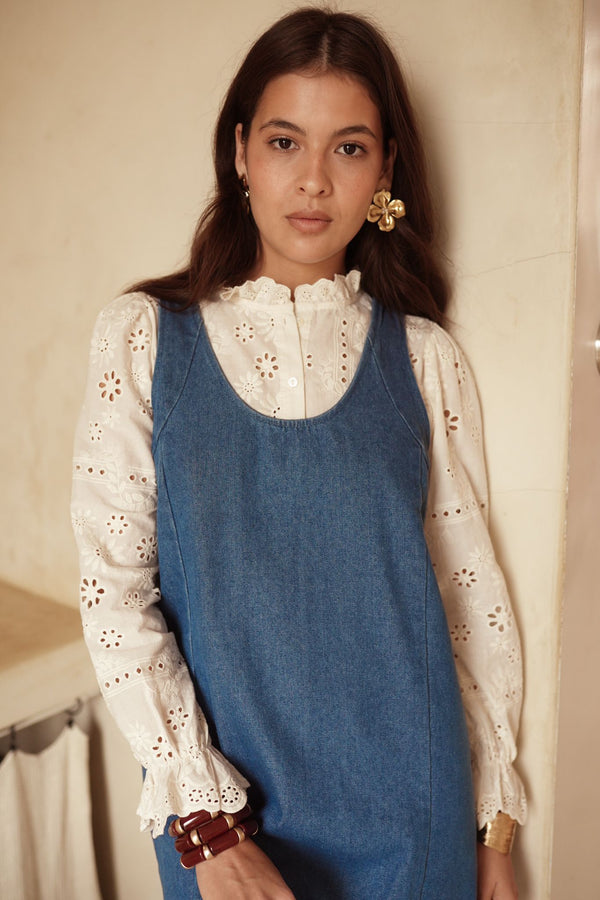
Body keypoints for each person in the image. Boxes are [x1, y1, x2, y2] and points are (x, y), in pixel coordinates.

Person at [72, 7, 526, 899]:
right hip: (228, 835)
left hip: (417, 820)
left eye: (349, 148)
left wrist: (495, 830)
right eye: (286, 142)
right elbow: (116, 596)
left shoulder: (422, 358)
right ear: (241, 151)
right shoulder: (144, 341)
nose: (314, 179)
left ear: (385, 170)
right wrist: (208, 826)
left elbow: (470, 605)